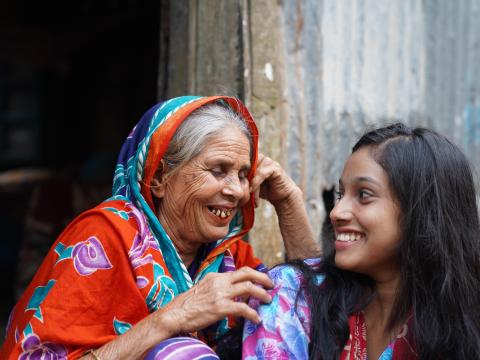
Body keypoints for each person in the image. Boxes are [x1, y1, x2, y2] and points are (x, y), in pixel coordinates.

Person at [1, 95, 319, 359]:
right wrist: (173, 317)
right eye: (219, 171)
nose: (237, 191)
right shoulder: (103, 238)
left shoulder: (225, 256)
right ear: (158, 178)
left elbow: (318, 316)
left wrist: (289, 205)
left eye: (241, 174)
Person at [241, 123, 480, 359]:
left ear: (421, 211)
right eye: (340, 194)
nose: (336, 213)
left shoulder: (464, 326)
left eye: (364, 194)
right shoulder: (290, 293)